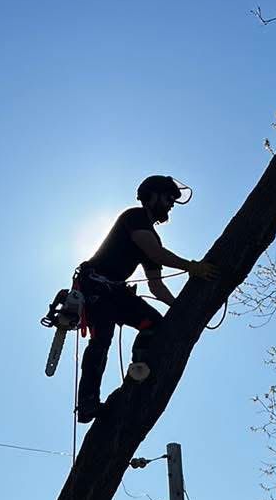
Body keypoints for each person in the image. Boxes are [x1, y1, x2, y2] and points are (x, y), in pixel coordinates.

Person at [74, 175, 216, 424]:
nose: (171, 204)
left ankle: (140, 369)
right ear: (151, 196)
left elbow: (156, 285)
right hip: (95, 286)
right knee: (101, 339)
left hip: (115, 292)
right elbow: (155, 253)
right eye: (168, 198)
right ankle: (88, 402)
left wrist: (179, 307)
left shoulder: (151, 235)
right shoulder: (135, 217)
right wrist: (190, 266)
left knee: (155, 324)